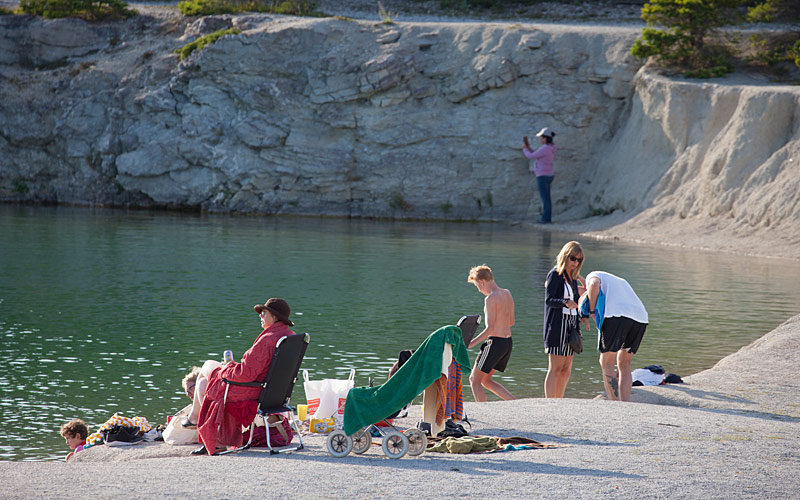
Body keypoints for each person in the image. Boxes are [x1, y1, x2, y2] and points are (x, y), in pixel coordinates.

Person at [183, 297, 296, 455]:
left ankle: (200, 424)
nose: (260, 316)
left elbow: (245, 374)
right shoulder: (289, 337)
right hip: (273, 393)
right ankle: (209, 434)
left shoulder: (268, 339)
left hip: (252, 392)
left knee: (208, 369)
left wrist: (224, 369)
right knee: (202, 384)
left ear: (275, 317)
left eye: (264, 313)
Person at [579, 271, 648, 402]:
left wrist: (592, 311)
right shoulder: (616, 281)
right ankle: (625, 402)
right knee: (624, 363)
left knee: (606, 362)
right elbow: (589, 287)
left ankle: (614, 403)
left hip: (616, 315)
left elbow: (593, 286)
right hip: (640, 318)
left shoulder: (593, 275)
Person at [466, 265, 516, 402]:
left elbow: (490, 329)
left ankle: (483, 411)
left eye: (477, 286)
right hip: (507, 343)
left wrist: (470, 343)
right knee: (486, 380)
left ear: (482, 282)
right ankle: (515, 403)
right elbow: (511, 322)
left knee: (474, 380)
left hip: (495, 343)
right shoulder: (507, 293)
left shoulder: (490, 299)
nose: (479, 290)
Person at [543, 241, 586, 398]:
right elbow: (549, 300)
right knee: (555, 367)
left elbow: (586, 290)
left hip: (571, 324)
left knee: (566, 368)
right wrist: (565, 302)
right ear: (565, 256)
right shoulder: (555, 274)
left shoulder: (571, 277)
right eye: (573, 258)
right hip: (557, 324)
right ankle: (550, 401)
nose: (575, 262)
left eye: (579, 260)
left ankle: (559, 400)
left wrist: (579, 276)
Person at [523, 127, 557, 224]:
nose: (540, 139)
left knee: (545, 198)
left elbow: (531, 156)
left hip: (543, 175)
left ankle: (546, 219)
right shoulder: (550, 148)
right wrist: (528, 148)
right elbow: (536, 154)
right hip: (548, 175)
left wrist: (525, 149)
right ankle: (547, 218)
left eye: (541, 137)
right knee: (547, 198)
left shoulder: (545, 148)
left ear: (545, 138)